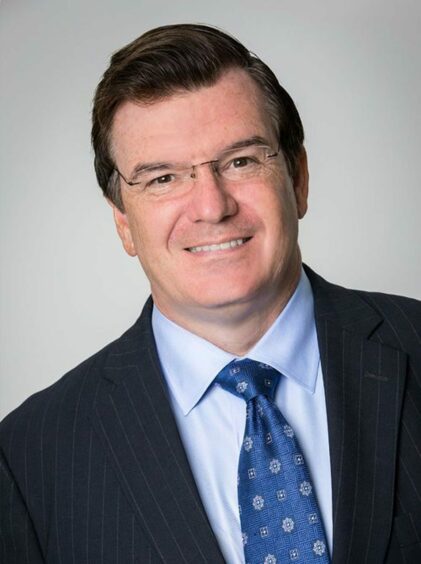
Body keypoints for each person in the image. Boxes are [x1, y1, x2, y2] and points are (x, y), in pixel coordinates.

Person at [0, 23, 420, 564]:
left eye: (241, 161)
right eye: (162, 179)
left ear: (298, 178)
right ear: (124, 222)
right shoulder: (29, 456)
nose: (211, 206)